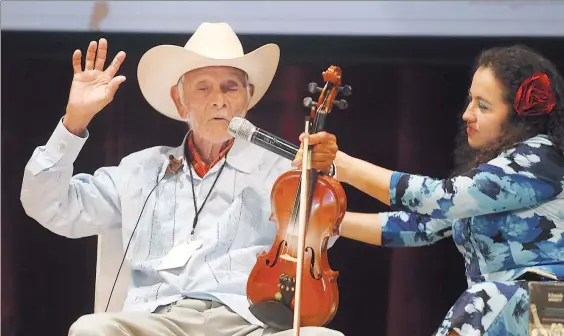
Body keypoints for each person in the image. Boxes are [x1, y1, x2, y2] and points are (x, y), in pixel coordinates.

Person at [20, 22, 343, 336]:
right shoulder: (141, 169)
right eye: (203, 88)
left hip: (249, 320)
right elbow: (52, 207)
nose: (219, 99)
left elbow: (323, 238)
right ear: (179, 100)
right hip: (158, 320)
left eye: (230, 87)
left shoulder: (285, 171)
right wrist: (76, 121)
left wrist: (319, 176)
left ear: (249, 97)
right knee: (91, 329)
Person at [297, 45, 564, 335]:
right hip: (506, 310)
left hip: (552, 310)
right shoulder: (497, 169)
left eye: (482, 106)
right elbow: (419, 226)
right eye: (470, 101)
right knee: (482, 301)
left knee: (481, 300)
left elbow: (441, 198)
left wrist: (344, 167)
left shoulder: (539, 158)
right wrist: (321, 219)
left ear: (518, 116)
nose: (467, 115)